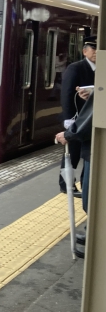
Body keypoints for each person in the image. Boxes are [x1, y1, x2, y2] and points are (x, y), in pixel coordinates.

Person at [56, 88, 94, 259]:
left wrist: (69, 134)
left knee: (91, 200)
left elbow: (96, 111)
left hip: (96, 152)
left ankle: (96, 238)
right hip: (92, 150)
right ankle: (92, 233)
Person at [58, 35, 97, 196]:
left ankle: (83, 183)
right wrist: (68, 120)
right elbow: (66, 94)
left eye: (98, 49)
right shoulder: (76, 68)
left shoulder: (102, 69)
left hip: (89, 120)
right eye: (93, 49)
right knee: (72, 154)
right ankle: (66, 185)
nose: (96, 53)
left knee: (86, 154)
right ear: (84, 51)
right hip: (76, 119)